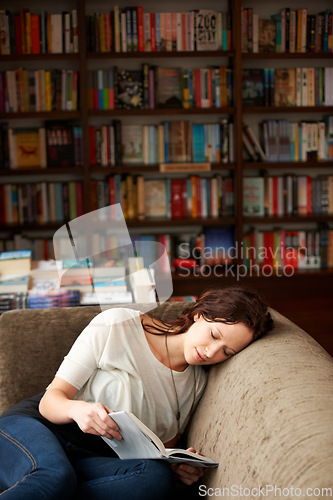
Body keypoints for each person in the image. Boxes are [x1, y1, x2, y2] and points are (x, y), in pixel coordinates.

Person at [0, 286, 273, 499]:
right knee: (55, 477)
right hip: (37, 428)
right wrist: (77, 409)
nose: (212, 353)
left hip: (90, 459)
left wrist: (177, 464)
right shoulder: (119, 324)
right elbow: (50, 401)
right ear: (199, 313)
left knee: (155, 479)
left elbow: (157, 446)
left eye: (227, 352)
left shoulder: (197, 383)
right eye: (214, 335)